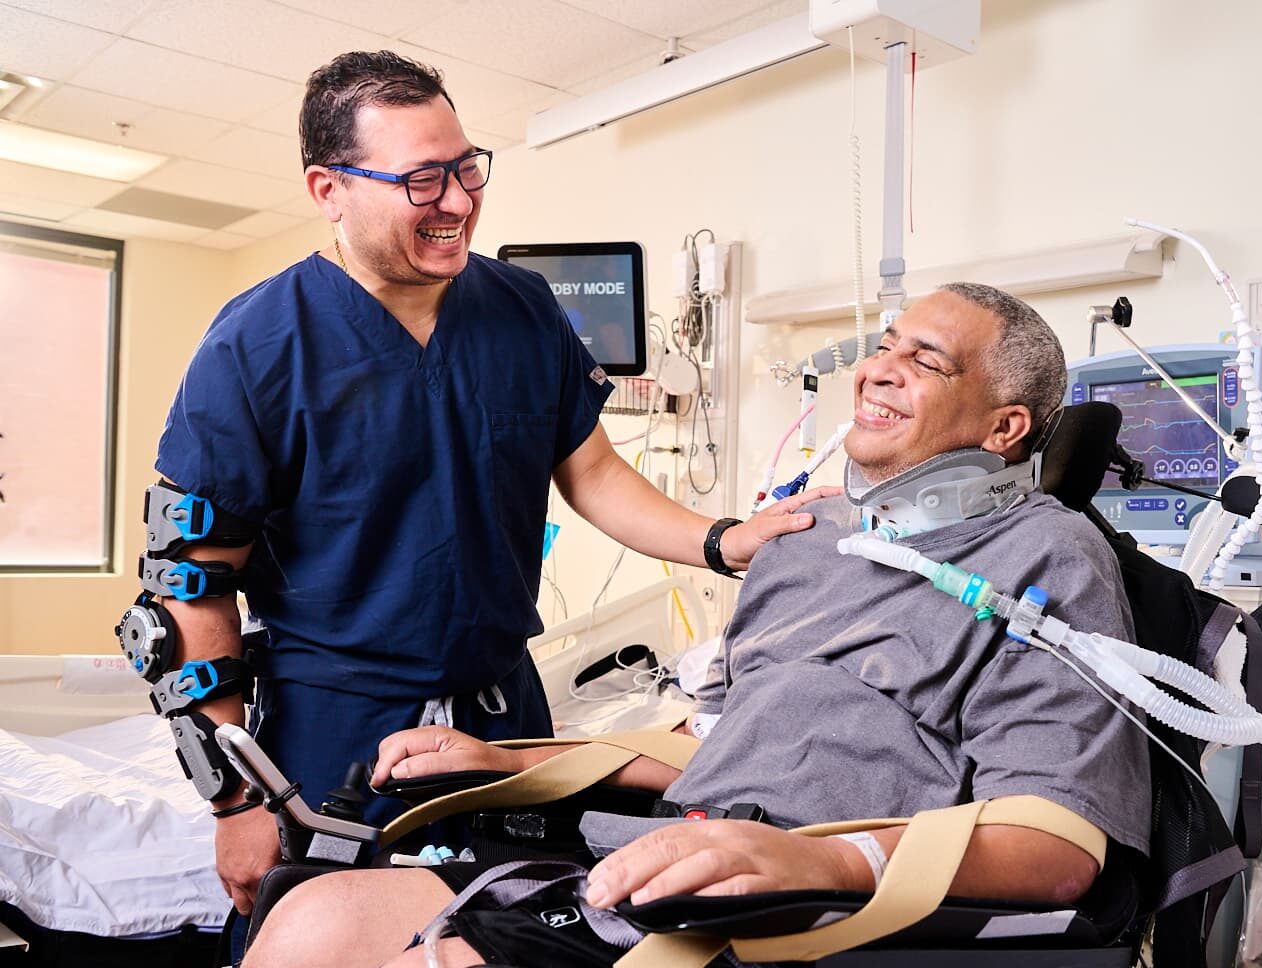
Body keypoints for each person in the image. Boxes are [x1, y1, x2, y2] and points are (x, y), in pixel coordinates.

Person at [242, 282, 1153, 968]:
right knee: (308, 919)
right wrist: (516, 760)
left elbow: (1057, 845)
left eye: (926, 361)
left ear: (1005, 428)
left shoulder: (1048, 558)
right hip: (670, 846)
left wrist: (824, 861)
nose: (878, 369)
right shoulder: (808, 543)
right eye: (885, 345)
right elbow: (717, 737)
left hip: (785, 902)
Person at [140, 49, 830, 929]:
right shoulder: (257, 346)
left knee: (517, 938)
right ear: (328, 189)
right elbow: (191, 583)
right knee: (329, 939)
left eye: (467, 168)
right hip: (335, 729)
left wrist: (719, 539)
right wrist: (235, 804)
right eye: (424, 179)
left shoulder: (522, 306)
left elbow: (593, 472)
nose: (459, 202)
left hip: (505, 715)